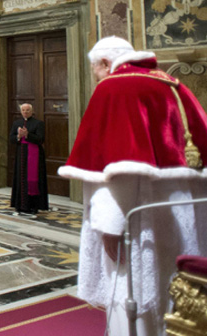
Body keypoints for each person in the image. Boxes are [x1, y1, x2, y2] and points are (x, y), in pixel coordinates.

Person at [58, 36, 207, 335]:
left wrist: (110, 225)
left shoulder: (115, 87)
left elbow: (117, 167)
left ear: (103, 62)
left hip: (138, 213)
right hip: (180, 209)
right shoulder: (172, 84)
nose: (96, 76)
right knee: (172, 286)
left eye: (94, 69)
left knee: (132, 289)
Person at [9, 103, 48, 216]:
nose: (25, 112)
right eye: (23, 110)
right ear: (21, 111)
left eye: (27, 110)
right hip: (21, 154)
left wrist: (27, 135)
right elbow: (11, 138)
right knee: (20, 179)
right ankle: (19, 205)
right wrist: (18, 137)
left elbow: (41, 139)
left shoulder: (38, 123)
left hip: (34, 156)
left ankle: (33, 206)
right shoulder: (17, 123)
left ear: (31, 111)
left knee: (33, 180)